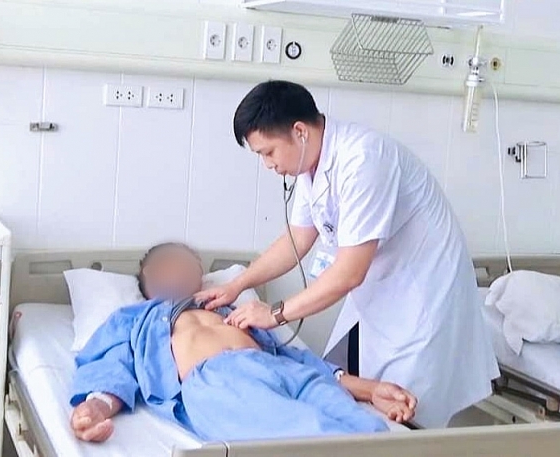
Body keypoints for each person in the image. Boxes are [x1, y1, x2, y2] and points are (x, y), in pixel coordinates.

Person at [195, 80, 500, 429]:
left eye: (268, 152)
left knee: (406, 420)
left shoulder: (364, 160)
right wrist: (238, 284)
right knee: (355, 400)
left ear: (299, 132)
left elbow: (349, 273)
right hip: (379, 298)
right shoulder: (310, 165)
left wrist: (275, 314)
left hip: (421, 306)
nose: (267, 164)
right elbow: (298, 238)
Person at [70, 242, 417, 443]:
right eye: (172, 264)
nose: (184, 271)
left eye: (190, 266)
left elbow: (294, 357)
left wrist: (371, 390)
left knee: (370, 435)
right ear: (149, 276)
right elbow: (112, 364)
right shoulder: (135, 318)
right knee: (308, 437)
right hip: (219, 380)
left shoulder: (233, 309)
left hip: (282, 370)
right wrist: (97, 407)